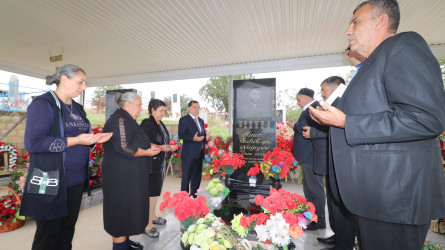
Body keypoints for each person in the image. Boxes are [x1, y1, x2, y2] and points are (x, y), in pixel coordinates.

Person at [309, 0, 445, 249]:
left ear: (380, 21)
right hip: (374, 199)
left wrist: (345, 121)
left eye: (355, 22)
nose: (348, 30)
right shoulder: (372, 63)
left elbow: (426, 118)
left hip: (393, 200)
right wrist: (333, 121)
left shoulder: (405, 45)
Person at [21, 64, 112, 250]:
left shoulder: (78, 108)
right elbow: (34, 143)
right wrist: (76, 140)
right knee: (48, 235)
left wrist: (94, 140)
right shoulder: (43, 104)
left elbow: (80, 139)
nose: (84, 87)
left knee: (67, 230)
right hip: (50, 179)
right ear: (64, 79)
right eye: (80, 82)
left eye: (85, 83)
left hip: (75, 180)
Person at [102, 92, 161, 250]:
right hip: (121, 179)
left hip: (130, 177)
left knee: (130, 212)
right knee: (122, 214)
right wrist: (147, 152)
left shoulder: (128, 120)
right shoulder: (119, 120)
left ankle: (126, 243)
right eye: (139, 104)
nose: (141, 108)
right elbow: (124, 147)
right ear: (127, 104)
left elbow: (135, 141)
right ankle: (120, 246)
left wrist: (150, 146)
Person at [302, 77, 355, 250]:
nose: (322, 94)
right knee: (333, 202)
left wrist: (315, 132)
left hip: (339, 160)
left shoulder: (343, 103)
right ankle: (338, 236)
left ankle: (344, 243)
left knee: (340, 204)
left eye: (324, 90)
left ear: (335, 88)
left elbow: (339, 131)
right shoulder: (331, 105)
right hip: (330, 160)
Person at [286, 87, 326, 230]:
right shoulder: (309, 109)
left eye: (298, 99)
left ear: (306, 98)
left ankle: (320, 221)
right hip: (307, 156)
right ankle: (312, 218)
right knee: (309, 190)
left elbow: (306, 129)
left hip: (312, 156)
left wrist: (295, 126)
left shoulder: (315, 109)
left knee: (315, 190)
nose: (297, 103)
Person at [140, 99, 178, 238]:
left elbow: (163, 141)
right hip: (150, 163)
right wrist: (161, 147)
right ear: (152, 110)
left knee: (156, 192)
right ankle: (147, 224)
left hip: (160, 163)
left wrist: (169, 146)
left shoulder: (160, 123)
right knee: (151, 193)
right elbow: (143, 142)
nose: (163, 113)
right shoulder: (146, 123)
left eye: (164, 110)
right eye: (161, 110)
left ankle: (154, 215)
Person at [178, 100, 210, 198]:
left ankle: (193, 198)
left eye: (198, 107)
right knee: (186, 178)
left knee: (196, 178)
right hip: (189, 154)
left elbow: (201, 135)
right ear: (189, 108)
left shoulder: (200, 120)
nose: (197, 109)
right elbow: (181, 135)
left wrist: (206, 136)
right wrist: (193, 138)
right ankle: (184, 200)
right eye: (195, 107)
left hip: (199, 153)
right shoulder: (184, 120)